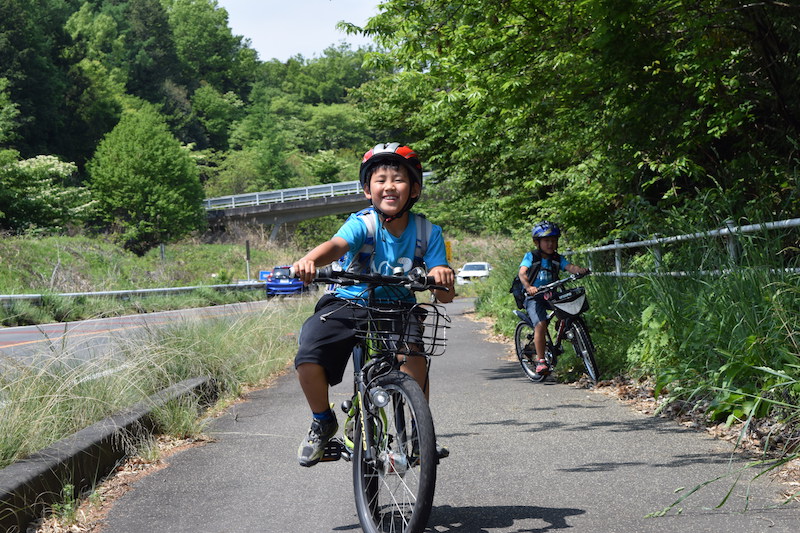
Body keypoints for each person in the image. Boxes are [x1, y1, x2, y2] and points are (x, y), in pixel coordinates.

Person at [292, 142, 455, 467]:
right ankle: (323, 421)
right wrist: (309, 260)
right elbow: (336, 246)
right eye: (380, 179)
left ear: (415, 189)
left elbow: (445, 294)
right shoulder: (363, 223)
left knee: (414, 358)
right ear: (368, 190)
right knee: (309, 354)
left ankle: (418, 433)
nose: (389, 186)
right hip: (347, 302)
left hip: (397, 309)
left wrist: (441, 274)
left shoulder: (428, 232)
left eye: (399, 179)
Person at [518, 221, 589, 376]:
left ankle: (563, 333)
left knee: (570, 310)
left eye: (553, 240)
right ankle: (541, 360)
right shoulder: (531, 257)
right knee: (541, 324)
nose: (550, 244)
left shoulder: (557, 258)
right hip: (534, 297)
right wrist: (529, 287)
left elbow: (570, 267)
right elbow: (522, 273)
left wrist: (580, 270)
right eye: (546, 241)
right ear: (537, 242)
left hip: (551, 295)